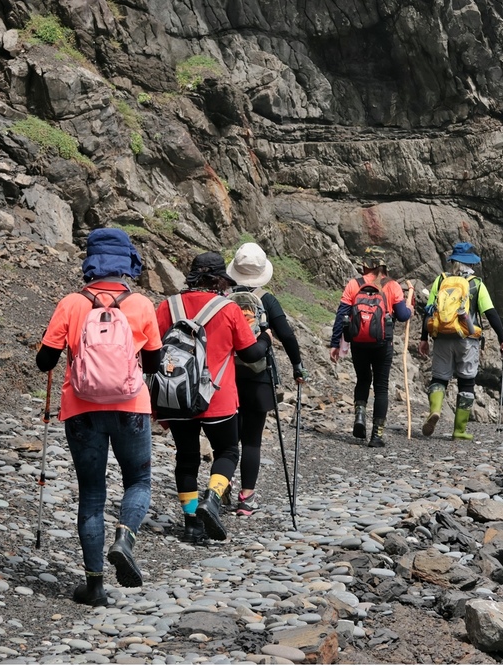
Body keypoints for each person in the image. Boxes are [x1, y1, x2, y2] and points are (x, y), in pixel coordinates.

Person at [36, 227, 162, 607]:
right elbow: (153, 363)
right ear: (126, 262)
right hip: (131, 408)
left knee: (92, 493)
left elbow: (45, 360)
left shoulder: (72, 303)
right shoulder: (140, 304)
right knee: (138, 480)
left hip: (81, 409)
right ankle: (125, 537)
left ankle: (94, 586)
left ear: (90, 260)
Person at [155, 251, 271, 543]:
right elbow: (251, 353)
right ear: (220, 279)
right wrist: (266, 338)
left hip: (176, 396)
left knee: (187, 457)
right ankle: (213, 498)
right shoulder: (228, 308)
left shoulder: (167, 306)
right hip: (217, 398)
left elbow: (151, 350)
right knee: (228, 452)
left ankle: (192, 523)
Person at [225, 242, 306, 516]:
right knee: (252, 440)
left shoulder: (224, 298)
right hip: (259, 376)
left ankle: (222, 485)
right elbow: (287, 335)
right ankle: (246, 498)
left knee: (227, 439)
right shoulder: (266, 299)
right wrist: (297, 366)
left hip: (227, 377)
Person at [418, 241, 503, 440]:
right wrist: (502, 339)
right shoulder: (476, 284)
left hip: (442, 336)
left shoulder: (441, 280)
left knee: (439, 379)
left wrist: (424, 338)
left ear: (453, 261)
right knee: (466, 382)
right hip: (467, 339)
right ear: (470, 263)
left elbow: (428, 312)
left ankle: (434, 411)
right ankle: (459, 431)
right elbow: (491, 313)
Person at [329, 246, 412, 448]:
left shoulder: (353, 285)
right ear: (384, 266)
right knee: (381, 387)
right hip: (383, 343)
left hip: (358, 342)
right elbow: (402, 316)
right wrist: (409, 307)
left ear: (365, 264)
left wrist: (335, 344)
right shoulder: (392, 286)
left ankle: (359, 416)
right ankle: (377, 435)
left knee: (363, 380)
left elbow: (342, 315)